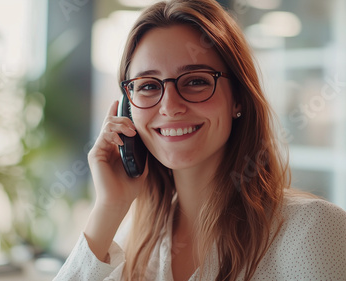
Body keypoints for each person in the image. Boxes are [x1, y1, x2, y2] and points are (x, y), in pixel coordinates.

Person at [53, 0, 346, 280]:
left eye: (196, 81)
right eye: (148, 86)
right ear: (127, 109)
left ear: (238, 99)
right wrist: (110, 207)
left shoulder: (312, 229)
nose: (169, 105)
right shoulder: (132, 239)